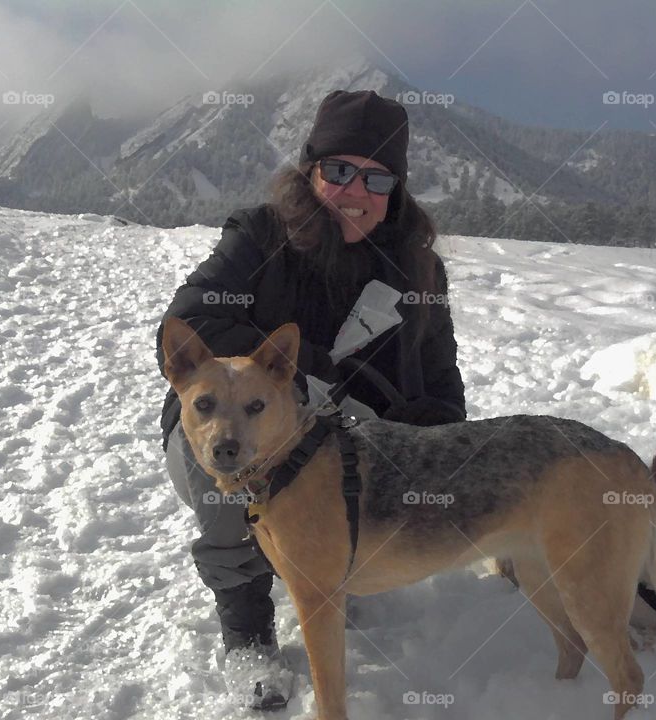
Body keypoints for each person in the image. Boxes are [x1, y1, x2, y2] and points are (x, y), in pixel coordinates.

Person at [155, 89, 466, 709]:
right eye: (340, 171)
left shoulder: (418, 270)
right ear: (311, 171)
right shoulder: (261, 236)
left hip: (344, 435)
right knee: (229, 469)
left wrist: (435, 432)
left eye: (377, 178)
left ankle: (332, 567)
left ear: (396, 190)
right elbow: (192, 320)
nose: (356, 191)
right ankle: (247, 629)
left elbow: (440, 377)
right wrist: (300, 371)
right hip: (231, 418)